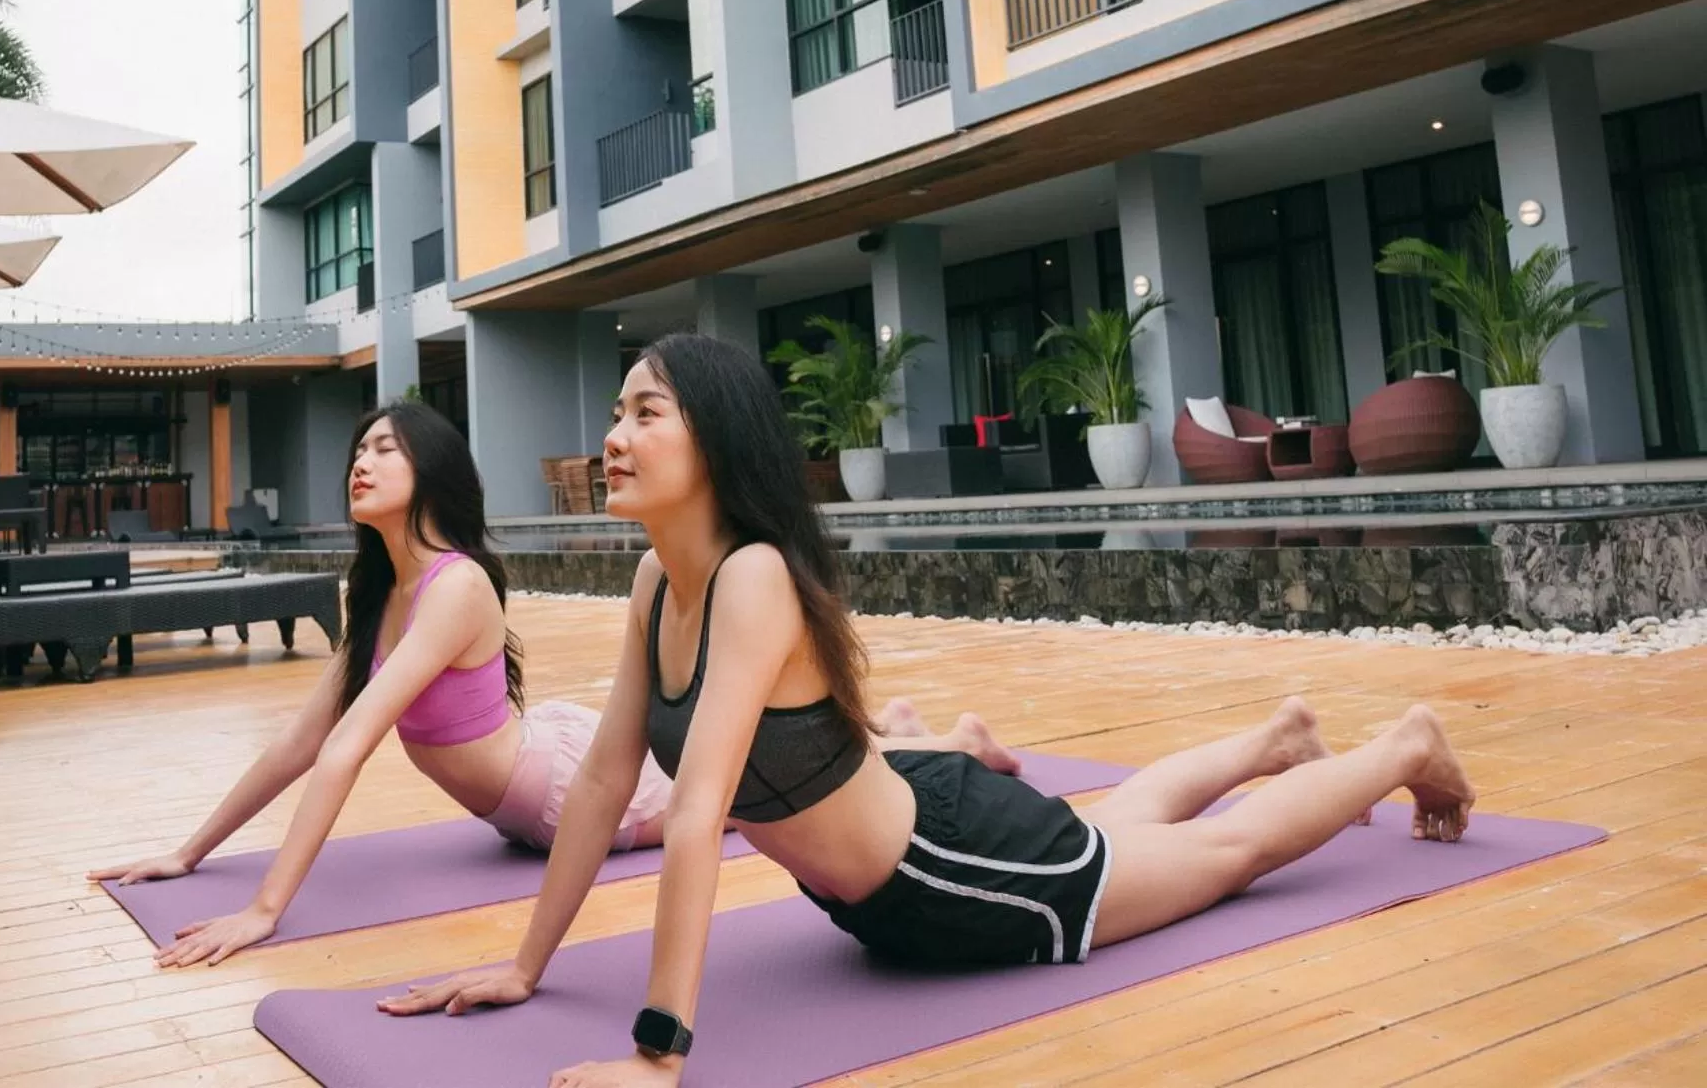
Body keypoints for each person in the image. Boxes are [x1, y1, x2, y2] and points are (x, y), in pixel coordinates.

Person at [377, 336, 1477, 1088]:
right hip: (904, 848)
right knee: (1103, 839)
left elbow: (700, 812)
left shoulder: (753, 576)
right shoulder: (658, 581)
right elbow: (605, 780)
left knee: (1220, 857)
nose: (614, 435)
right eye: (616, 412)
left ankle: (1401, 745)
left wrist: (658, 1053)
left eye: (645, 413)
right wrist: (525, 964)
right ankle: (1273, 738)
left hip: (947, 868)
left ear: (715, 439)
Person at [88, 401, 1006, 969]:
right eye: (358, 450)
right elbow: (300, 742)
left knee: (753, 789)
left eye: (386, 450)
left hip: (563, 792)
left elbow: (347, 750)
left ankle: (939, 741)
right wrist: (189, 852)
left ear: (432, 474)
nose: (360, 463)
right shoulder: (379, 596)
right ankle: (894, 727)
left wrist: (263, 910)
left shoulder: (454, 588)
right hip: (539, 774)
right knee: (751, 769)